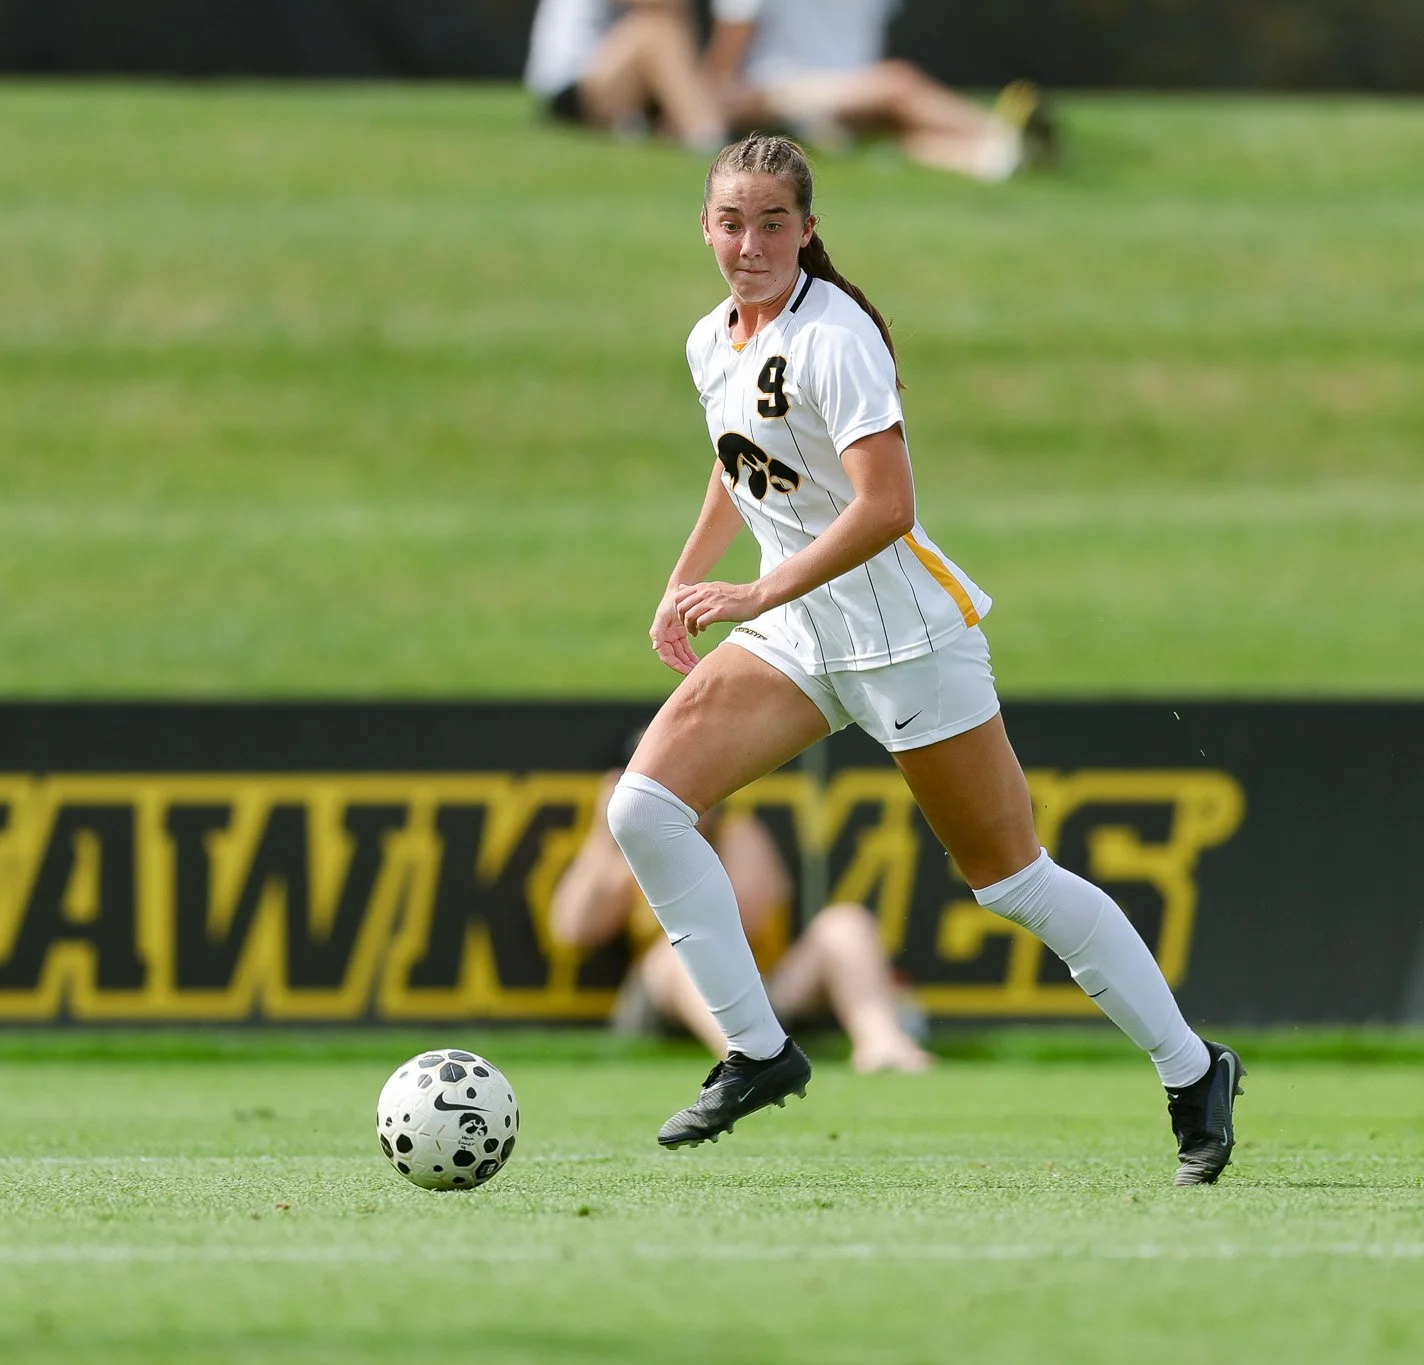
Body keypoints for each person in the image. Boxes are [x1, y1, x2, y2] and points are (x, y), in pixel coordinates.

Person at [605, 133, 1241, 1184]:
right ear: (704, 229)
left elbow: (887, 507)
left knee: (1011, 883)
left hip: (904, 634)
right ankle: (756, 1052)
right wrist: (685, 582)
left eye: (773, 223)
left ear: (807, 230)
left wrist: (755, 589)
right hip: (801, 633)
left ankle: (1190, 1068)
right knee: (642, 809)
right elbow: (737, 463)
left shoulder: (835, 334)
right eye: (730, 223)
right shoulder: (708, 340)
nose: (750, 243)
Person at [553, 766, 932, 1072]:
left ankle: (883, 1045)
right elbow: (571, 932)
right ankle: (752, 1061)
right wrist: (607, 832)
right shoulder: (629, 858)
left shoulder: (738, 832)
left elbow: (745, 916)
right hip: (671, 1003)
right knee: (682, 950)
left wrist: (699, 832)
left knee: (844, 923)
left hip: (763, 993)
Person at [701, 0, 1052, 182]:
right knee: (899, 84)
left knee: (896, 126)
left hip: (851, 95)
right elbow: (722, 71)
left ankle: (999, 156)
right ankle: (1004, 130)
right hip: (779, 92)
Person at [525, 0, 728, 152]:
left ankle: (680, 123)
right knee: (657, 30)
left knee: (662, 30)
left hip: (607, 77)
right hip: (572, 86)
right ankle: (707, 137)